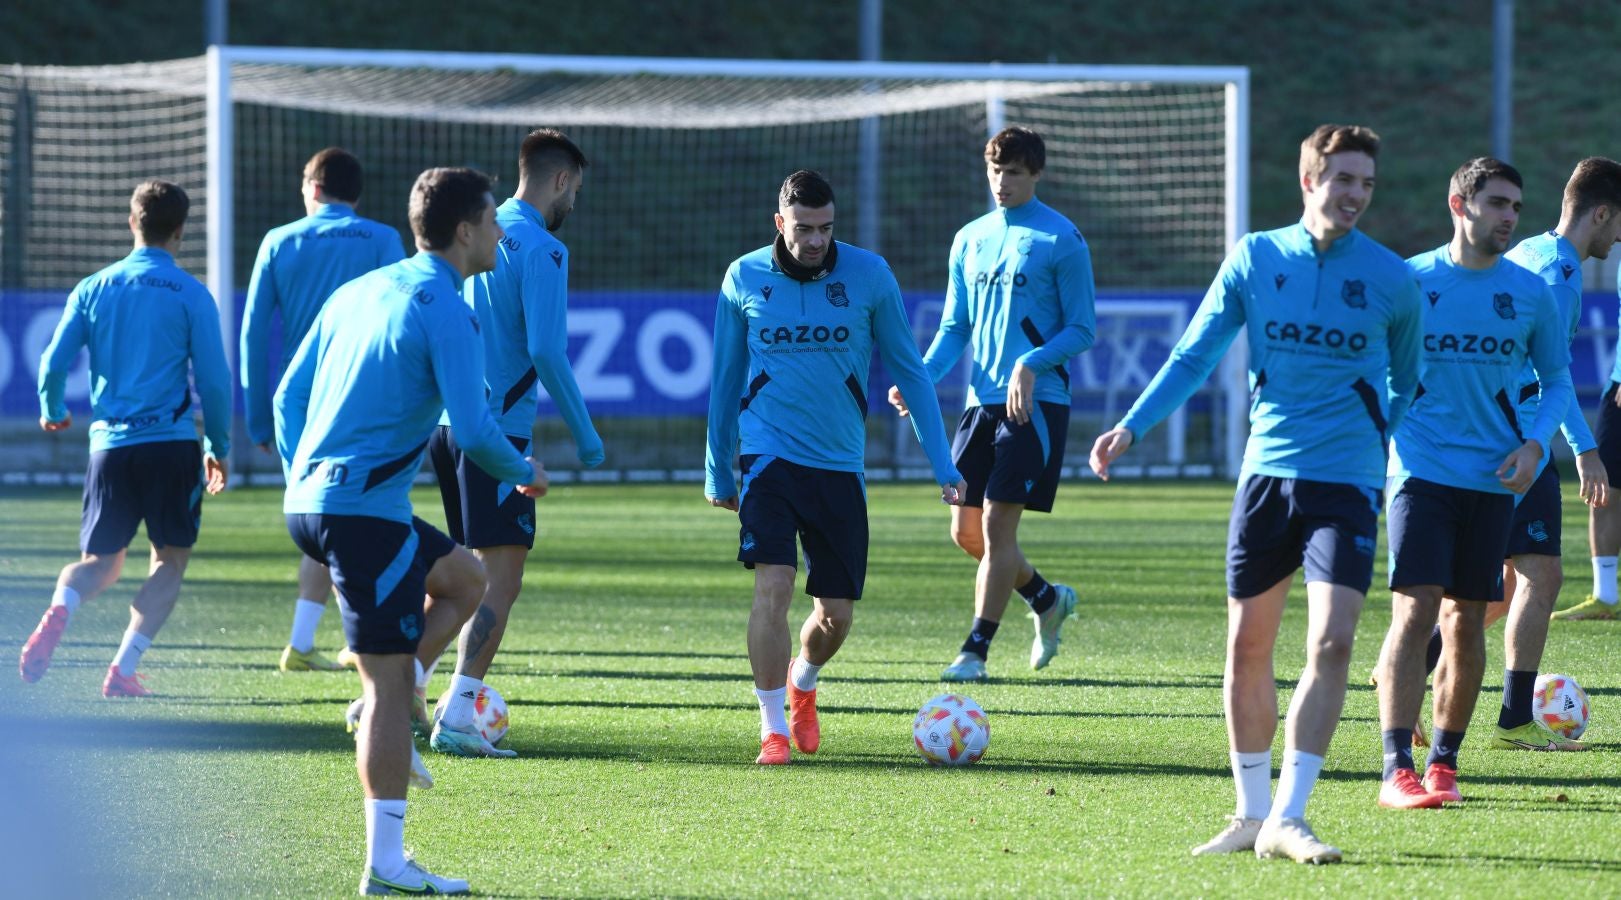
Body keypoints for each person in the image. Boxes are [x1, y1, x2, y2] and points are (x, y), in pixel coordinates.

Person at [1090, 125, 1421, 863]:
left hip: (1344, 480)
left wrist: (1373, 439)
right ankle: (1247, 813)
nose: (1356, 196)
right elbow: (1194, 351)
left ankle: (1289, 816)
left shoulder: (1392, 278)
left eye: (1366, 183)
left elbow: (1407, 378)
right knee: (1247, 646)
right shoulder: (1255, 256)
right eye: (1343, 180)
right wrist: (1131, 427)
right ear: (1309, 181)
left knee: (1332, 640)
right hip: (1265, 475)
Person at [275, 167, 548, 894]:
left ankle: (387, 695)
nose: (500, 234)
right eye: (493, 222)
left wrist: (303, 474)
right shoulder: (447, 308)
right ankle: (385, 863)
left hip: (315, 501)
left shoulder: (360, 289)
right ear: (465, 231)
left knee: (464, 577)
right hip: (361, 515)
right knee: (390, 687)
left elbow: (285, 396)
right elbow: (475, 427)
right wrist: (524, 469)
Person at [706, 170, 966, 765]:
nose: (817, 240)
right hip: (766, 453)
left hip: (838, 464)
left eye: (826, 228)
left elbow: (912, 371)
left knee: (835, 615)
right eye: (804, 229)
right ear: (780, 223)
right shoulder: (743, 277)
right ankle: (772, 728)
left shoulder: (869, 275)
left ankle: (803, 679)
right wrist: (718, 470)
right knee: (772, 585)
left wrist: (943, 464)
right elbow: (723, 381)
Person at [1373, 158, 1574, 814]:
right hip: (1419, 473)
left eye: (1515, 206)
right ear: (1459, 206)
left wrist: (1536, 442)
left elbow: (1557, 381)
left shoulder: (1528, 292)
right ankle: (1396, 765)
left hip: (1493, 481)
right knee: (1414, 610)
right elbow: (1374, 368)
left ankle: (1444, 762)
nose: (1508, 217)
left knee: (1465, 622)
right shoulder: (1410, 281)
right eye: (1496, 204)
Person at [888, 126, 1095, 682]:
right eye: (995, 171)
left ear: (1037, 175)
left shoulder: (1062, 240)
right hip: (980, 403)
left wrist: (1031, 363)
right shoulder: (970, 237)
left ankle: (974, 652)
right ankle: (1046, 599)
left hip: (1036, 404)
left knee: (1000, 529)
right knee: (966, 532)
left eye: (1015, 173)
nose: (1002, 183)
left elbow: (1082, 329)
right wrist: (921, 379)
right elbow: (956, 326)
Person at [425, 128, 604, 757]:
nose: (573, 204)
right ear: (559, 181)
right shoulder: (542, 249)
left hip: (448, 427)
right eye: (574, 190)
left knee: (461, 577)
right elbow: (546, 351)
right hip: (498, 433)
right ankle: (448, 709)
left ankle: (414, 691)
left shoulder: (473, 229)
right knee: (500, 581)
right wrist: (585, 434)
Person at [19, 180, 231, 697]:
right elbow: (215, 381)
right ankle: (123, 669)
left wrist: (52, 409)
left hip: (109, 448)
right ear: (180, 231)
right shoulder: (190, 293)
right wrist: (217, 447)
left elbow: (52, 362)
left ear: (132, 221)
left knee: (100, 564)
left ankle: (62, 605)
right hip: (170, 445)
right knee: (169, 561)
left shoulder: (94, 287)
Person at [1443, 157, 1621, 750]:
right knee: (1539, 577)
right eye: (1619, 222)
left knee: (1509, 579)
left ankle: (1419, 661)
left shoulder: (1529, 255)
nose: (1619, 237)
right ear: (1600, 213)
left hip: (1502, 434)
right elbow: (1554, 375)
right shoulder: (1559, 276)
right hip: (1520, 440)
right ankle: (1514, 719)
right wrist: (1586, 449)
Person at [241, 147, 406, 674]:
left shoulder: (278, 241)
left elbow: (251, 335)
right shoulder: (383, 239)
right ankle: (355, 640)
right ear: (355, 196)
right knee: (357, 518)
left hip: (299, 404)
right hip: (363, 400)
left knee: (322, 519)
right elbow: (400, 322)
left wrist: (256, 420)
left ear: (312, 189)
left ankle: (304, 643)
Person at [1547, 158, 1621, 622]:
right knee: (1606, 488)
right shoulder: (1558, 273)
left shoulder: (1550, 263)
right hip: (1616, 383)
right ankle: (1606, 595)